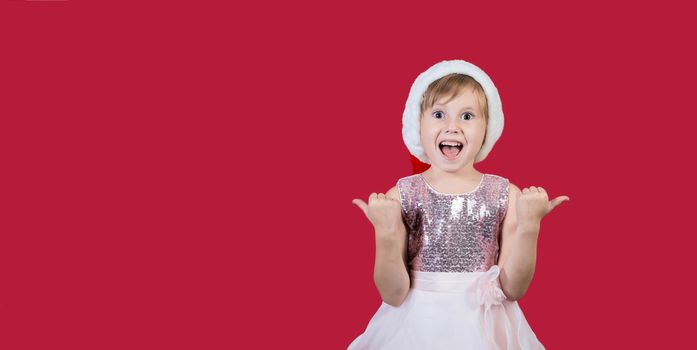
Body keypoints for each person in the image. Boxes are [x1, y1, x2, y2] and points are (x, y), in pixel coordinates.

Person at [348, 59, 570, 349]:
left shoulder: (506, 194)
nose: (452, 126)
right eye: (439, 114)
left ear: (487, 127)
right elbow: (393, 294)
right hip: (415, 329)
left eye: (467, 116)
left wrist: (530, 226)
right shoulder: (401, 196)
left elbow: (513, 288)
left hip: (486, 328)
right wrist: (386, 233)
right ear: (418, 124)